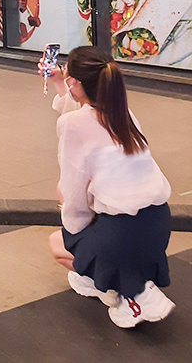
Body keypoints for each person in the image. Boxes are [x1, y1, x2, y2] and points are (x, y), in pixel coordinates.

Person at [41, 45, 174, 328]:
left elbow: (74, 193)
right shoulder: (124, 113)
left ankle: (127, 293)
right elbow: (86, 116)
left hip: (122, 235)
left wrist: (75, 235)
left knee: (58, 243)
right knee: (88, 221)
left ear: (74, 82)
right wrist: (60, 83)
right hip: (160, 225)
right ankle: (122, 278)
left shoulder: (73, 124)